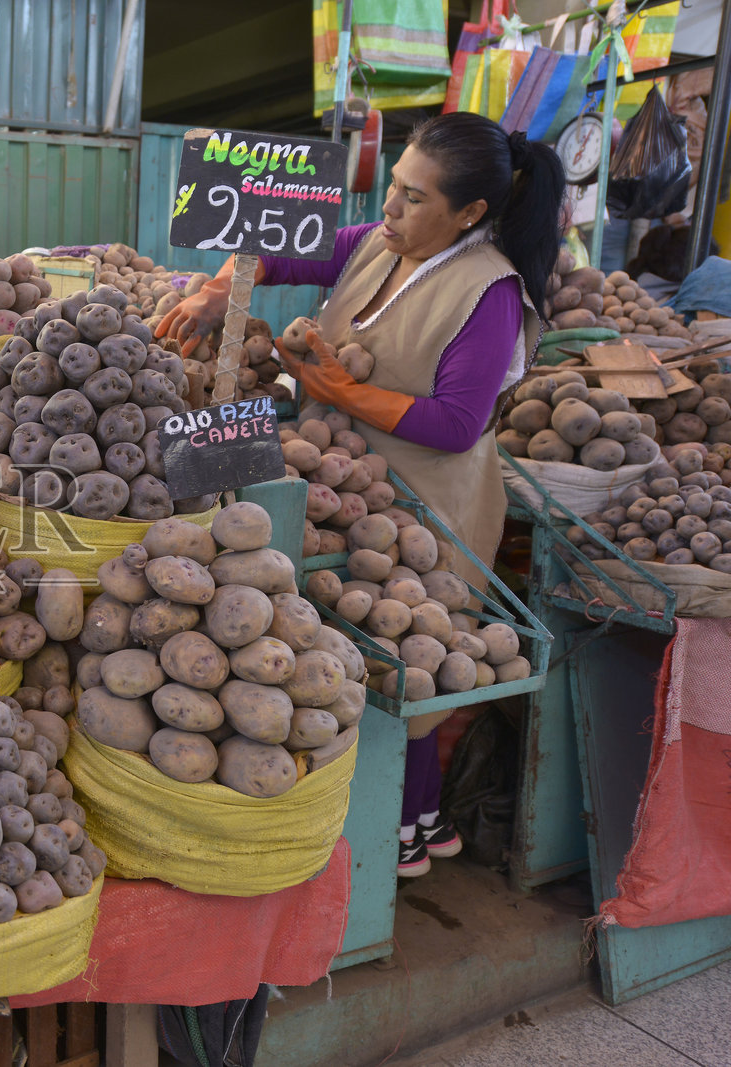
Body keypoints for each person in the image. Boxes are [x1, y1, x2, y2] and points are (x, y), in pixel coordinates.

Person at [156, 112, 565, 878]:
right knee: (351, 660)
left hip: (429, 500)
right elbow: (284, 250)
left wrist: (340, 386)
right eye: (394, 189)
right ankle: (403, 820)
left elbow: (456, 422)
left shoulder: (491, 294)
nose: (391, 211)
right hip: (344, 485)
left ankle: (409, 826)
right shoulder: (381, 245)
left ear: (470, 213)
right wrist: (222, 289)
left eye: (414, 199)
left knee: (405, 669)